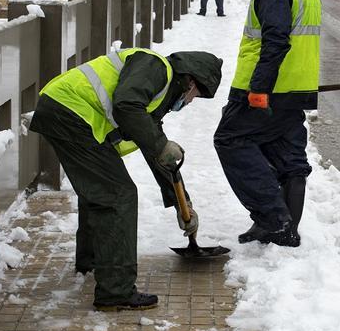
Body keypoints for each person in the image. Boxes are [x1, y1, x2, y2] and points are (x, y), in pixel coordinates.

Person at [30, 48, 223, 310]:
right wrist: (160, 144)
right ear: (190, 81)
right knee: (118, 194)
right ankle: (116, 290)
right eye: (196, 95)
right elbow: (125, 105)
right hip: (72, 112)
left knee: (101, 190)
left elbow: (156, 152)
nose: (190, 102)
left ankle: (94, 261)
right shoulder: (155, 67)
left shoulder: (157, 94)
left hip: (68, 112)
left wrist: (182, 203)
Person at [213, 0, 321, 247]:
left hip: (268, 89)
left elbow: (275, 39)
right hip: (293, 87)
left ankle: (273, 218)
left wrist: (258, 88)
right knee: (288, 157)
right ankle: (284, 230)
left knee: (230, 139)